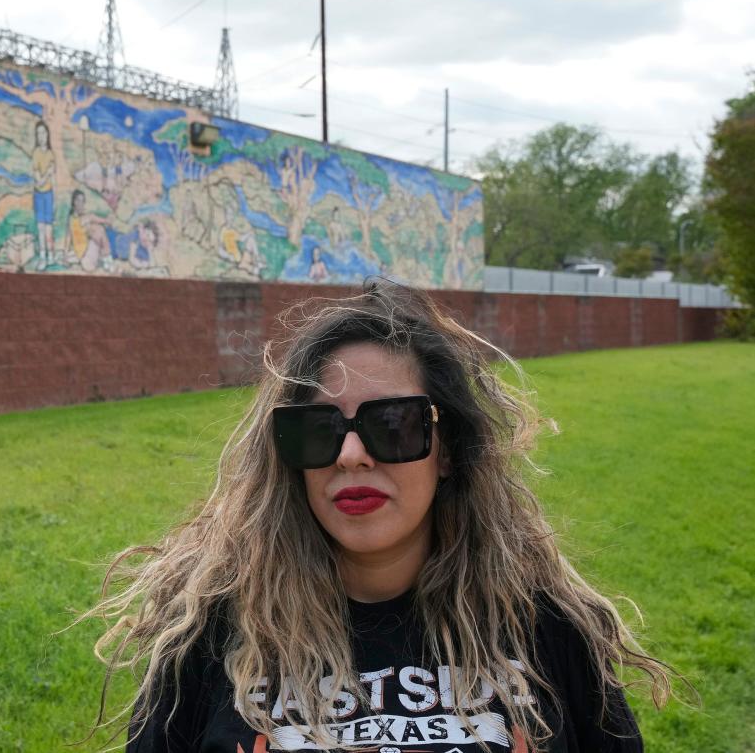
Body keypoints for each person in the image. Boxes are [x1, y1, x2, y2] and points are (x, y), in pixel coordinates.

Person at [85, 280, 675, 753]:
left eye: (392, 423)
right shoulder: (211, 634)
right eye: (318, 431)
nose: (349, 455)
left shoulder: (549, 629)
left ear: (446, 450)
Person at [31, 120, 57, 270]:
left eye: (43, 132)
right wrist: (47, 172)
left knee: (49, 229)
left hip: (49, 195)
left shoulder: (50, 154)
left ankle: (51, 256)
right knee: (41, 228)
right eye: (38, 133)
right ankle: (42, 257)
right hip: (39, 194)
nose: (41, 136)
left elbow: (53, 181)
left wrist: (55, 199)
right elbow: (39, 182)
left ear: (47, 134)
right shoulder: (35, 154)